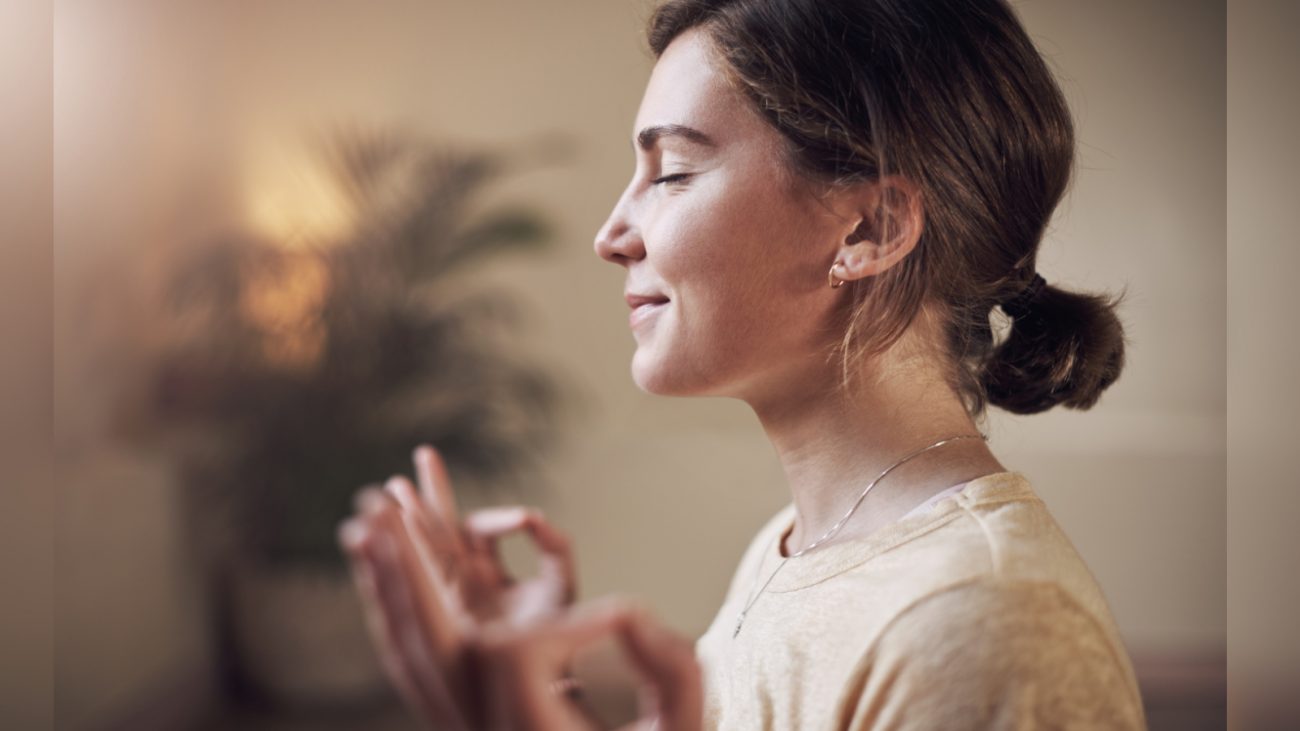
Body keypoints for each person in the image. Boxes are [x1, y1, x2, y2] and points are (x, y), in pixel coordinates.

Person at [337, 0, 1144, 728]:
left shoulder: (984, 620)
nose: (612, 233)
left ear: (870, 229)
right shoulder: (795, 545)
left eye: (674, 172)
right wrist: (543, 696)